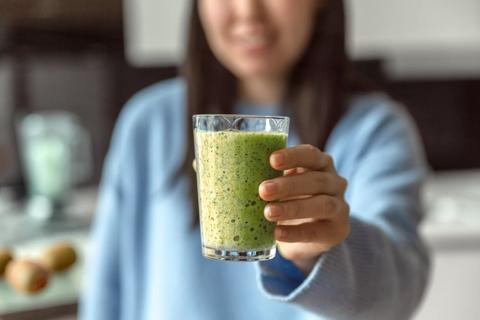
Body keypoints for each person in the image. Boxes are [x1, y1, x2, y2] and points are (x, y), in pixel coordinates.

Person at [80, 0, 430, 319]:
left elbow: (397, 295)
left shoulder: (374, 128)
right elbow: (106, 286)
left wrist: (318, 253)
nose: (248, 10)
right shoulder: (149, 122)